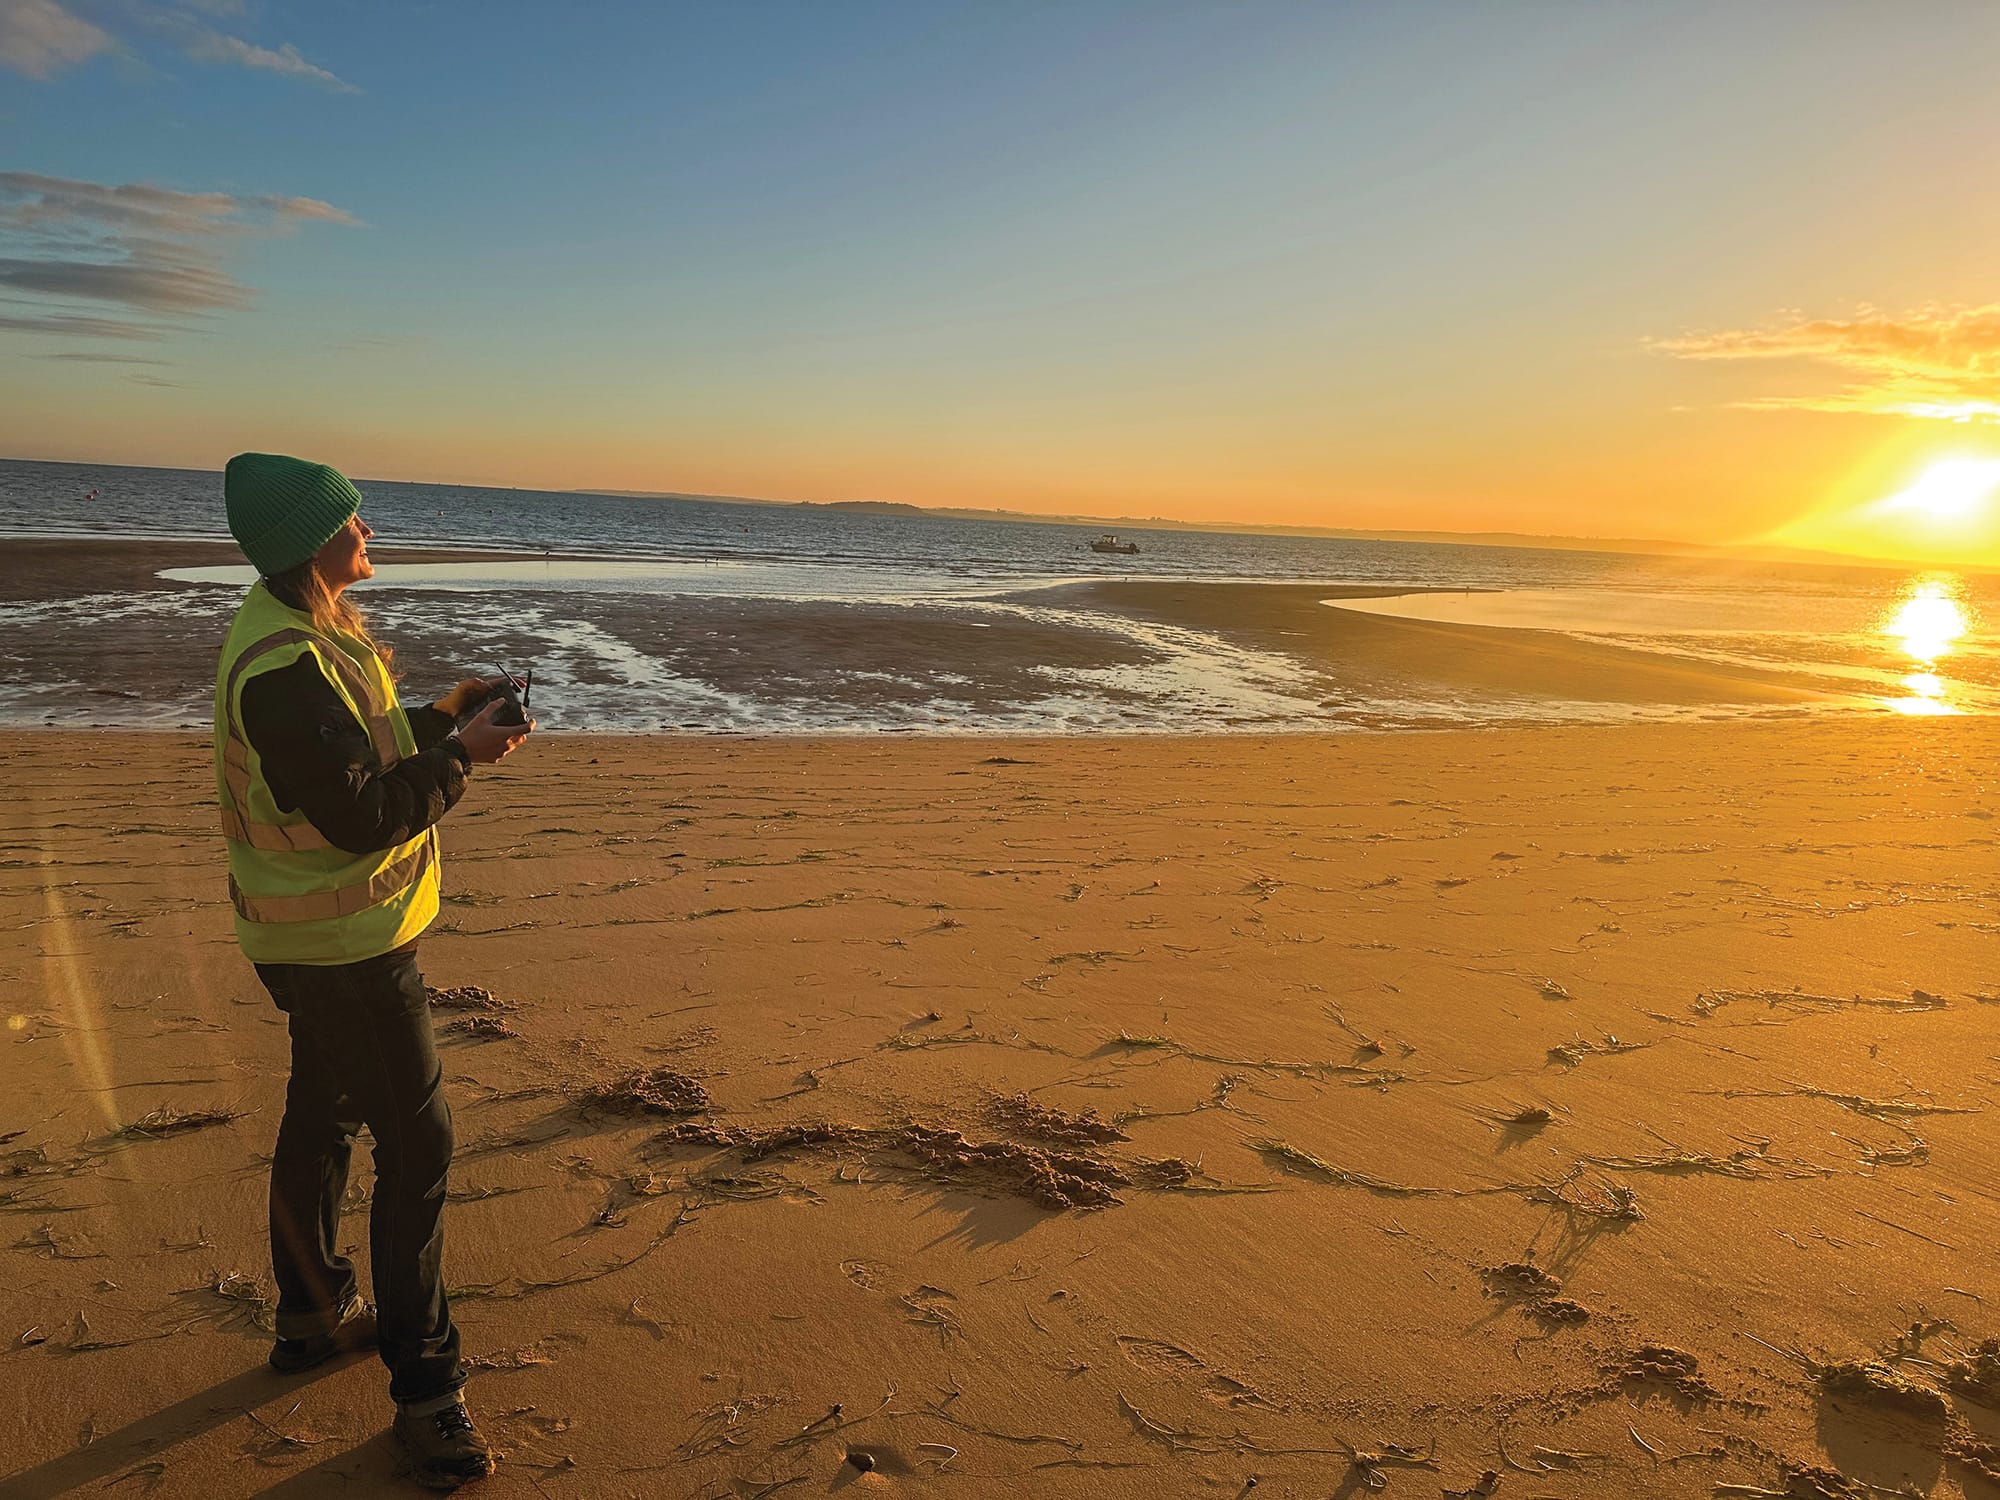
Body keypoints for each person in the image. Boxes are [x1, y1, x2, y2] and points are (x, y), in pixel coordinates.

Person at [213, 452, 532, 1490]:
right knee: (418, 1144)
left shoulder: (302, 637)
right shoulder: (283, 667)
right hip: (341, 951)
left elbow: (359, 758)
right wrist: (461, 764)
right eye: (354, 520)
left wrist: (442, 717)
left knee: (326, 1110)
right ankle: (428, 1394)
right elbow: (360, 818)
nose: (369, 530)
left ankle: (311, 1317)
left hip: (319, 943)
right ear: (315, 542)